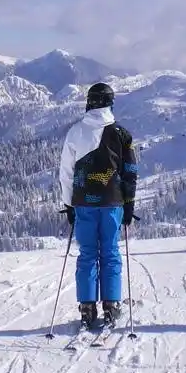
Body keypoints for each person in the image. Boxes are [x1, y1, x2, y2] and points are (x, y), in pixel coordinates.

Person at [59, 82, 138, 328]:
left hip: (83, 202)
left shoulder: (75, 132)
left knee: (88, 254)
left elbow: (66, 172)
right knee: (111, 253)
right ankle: (111, 305)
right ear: (110, 103)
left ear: (89, 102)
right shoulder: (121, 134)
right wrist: (129, 205)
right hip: (112, 202)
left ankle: (87, 306)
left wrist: (69, 204)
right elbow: (130, 172)